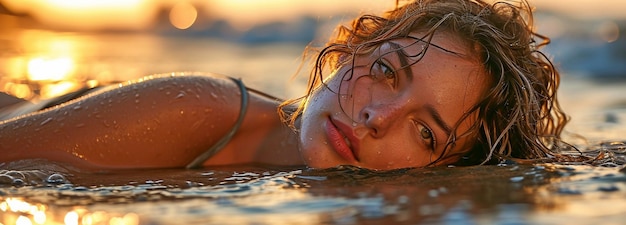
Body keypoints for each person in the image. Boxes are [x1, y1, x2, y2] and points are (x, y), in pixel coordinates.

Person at [0, 0, 568, 170]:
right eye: (388, 71)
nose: (378, 118)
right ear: (350, 49)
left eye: (424, 131)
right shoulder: (200, 109)